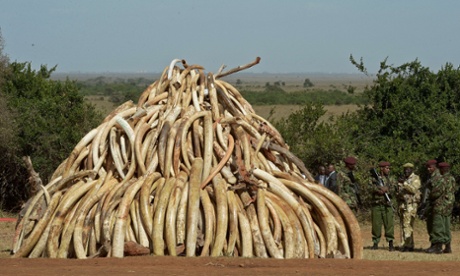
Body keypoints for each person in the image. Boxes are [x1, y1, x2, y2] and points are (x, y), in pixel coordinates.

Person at [370, 161, 396, 251]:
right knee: (376, 225)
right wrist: (378, 189)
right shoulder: (374, 179)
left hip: (387, 205)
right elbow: (369, 187)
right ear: (381, 168)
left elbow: (395, 189)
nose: (388, 170)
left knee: (389, 224)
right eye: (386, 168)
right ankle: (375, 243)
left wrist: (387, 189)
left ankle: (390, 243)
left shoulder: (391, 179)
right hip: (377, 204)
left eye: (389, 168)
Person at [396, 163, 421, 252]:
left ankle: (408, 246)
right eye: (405, 169)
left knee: (407, 225)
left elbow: (414, 190)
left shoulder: (415, 178)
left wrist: (405, 184)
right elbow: (399, 192)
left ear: (412, 170)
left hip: (411, 205)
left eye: (408, 169)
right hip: (402, 205)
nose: (406, 171)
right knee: (404, 225)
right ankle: (407, 244)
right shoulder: (403, 179)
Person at [437, 162, 457, 253]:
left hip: (443, 204)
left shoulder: (443, 179)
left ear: (443, 169)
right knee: (447, 225)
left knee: (442, 225)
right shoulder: (452, 178)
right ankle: (448, 246)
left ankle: (441, 246)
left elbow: (439, 192)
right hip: (450, 204)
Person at [424, 159, 442, 253]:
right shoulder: (430, 176)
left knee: (436, 226)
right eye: (427, 167)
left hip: (436, 204)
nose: (428, 169)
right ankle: (433, 244)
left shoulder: (437, 177)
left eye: (430, 167)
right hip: (430, 204)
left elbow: (437, 192)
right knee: (430, 225)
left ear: (434, 167)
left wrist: (429, 198)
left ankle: (438, 247)